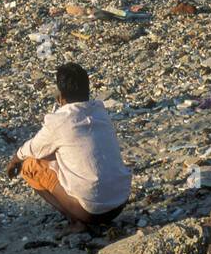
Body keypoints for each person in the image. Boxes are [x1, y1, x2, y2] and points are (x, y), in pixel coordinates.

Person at [7, 64, 131, 231]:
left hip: (91, 211)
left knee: (29, 166)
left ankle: (75, 221)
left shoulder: (59, 121)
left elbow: (33, 148)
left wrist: (15, 159)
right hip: (120, 201)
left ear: (60, 96)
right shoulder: (100, 112)